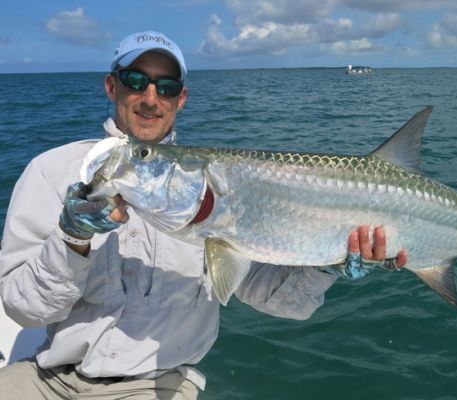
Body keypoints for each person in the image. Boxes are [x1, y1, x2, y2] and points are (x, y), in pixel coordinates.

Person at [0, 31, 407, 399]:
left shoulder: (209, 202)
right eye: (135, 81)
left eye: (167, 86)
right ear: (112, 86)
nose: (150, 97)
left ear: (182, 98)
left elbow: (281, 303)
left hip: (156, 386)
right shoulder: (50, 171)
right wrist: (72, 240)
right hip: (47, 378)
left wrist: (328, 264)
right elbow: (24, 311)